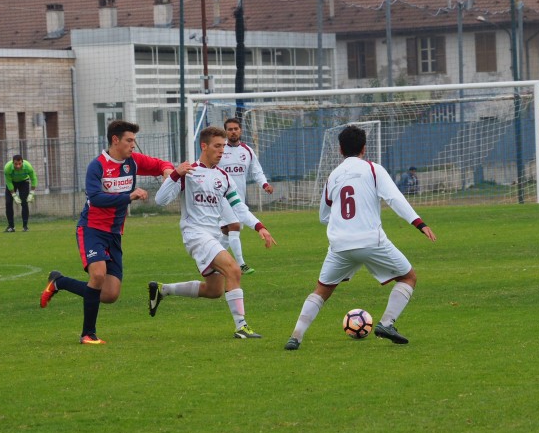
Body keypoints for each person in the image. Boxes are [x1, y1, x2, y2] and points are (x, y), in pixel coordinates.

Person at [284, 125, 436, 351]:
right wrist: (419, 223)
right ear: (364, 148)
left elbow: (324, 215)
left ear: (339, 149)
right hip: (370, 241)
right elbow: (395, 199)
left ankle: (295, 337)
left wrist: (343, 225)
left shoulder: (333, 176)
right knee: (408, 277)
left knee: (322, 290)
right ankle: (386, 324)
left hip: (339, 245)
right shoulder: (374, 170)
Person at [40, 120, 174, 345]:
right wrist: (128, 196)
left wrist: (167, 170)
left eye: (134, 141)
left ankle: (59, 282)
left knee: (110, 295)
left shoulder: (133, 162)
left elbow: (160, 164)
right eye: (129, 140)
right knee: (98, 275)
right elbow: (96, 198)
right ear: (115, 140)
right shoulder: (98, 166)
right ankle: (87, 334)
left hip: (114, 234)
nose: (133, 145)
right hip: (91, 229)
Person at [148, 126, 277, 339]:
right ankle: (241, 327)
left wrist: (259, 226)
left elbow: (239, 207)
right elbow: (160, 200)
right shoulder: (188, 172)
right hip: (195, 235)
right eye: (217, 146)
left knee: (214, 290)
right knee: (234, 270)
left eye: (224, 147)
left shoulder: (223, 177)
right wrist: (175, 175)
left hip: (213, 235)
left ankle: (162, 290)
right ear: (204, 146)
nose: (222, 151)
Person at [217, 117, 274, 275]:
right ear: (226, 132)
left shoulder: (247, 151)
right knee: (234, 226)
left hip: (238, 198)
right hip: (221, 197)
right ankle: (241, 264)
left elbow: (257, 171)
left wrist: (265, 184)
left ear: (240, 130)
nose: (233, 132)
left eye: (236, 128)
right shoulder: (220, 150)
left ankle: (210, 261)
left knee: (227, 232)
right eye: (230, 129)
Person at [4, 154, 38, 232]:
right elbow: (8, 181)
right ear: (13, 163)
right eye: (16, 164)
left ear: (22, 162)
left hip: (24, 182)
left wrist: (32, 193)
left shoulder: (28, 166)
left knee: (24, 202)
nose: (18, 166)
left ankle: (25, 227)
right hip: (12, 182)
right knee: (8, 202)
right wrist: (13, 195)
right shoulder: (7, 168)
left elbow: (34, 178)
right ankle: (11, 227)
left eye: (20, 164)